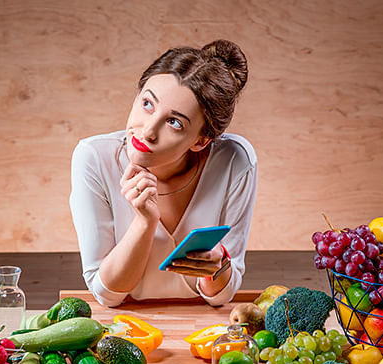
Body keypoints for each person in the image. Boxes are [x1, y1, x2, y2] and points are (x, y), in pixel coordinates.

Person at [69, 40, 257, 307]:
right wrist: (145, 221)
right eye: (147, 103)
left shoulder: (236, 160)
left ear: (201, 141)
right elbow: (107, 294)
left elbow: (222, 296)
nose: (147, 130)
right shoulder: (93, 157)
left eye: (174, 122)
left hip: (202, 326)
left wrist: (218, 265)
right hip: (124, 325)